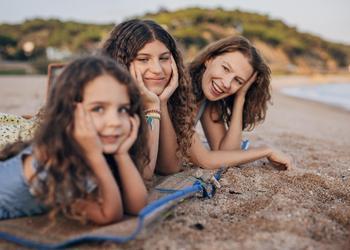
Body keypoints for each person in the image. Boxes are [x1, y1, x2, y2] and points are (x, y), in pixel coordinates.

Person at [0, 55, 148, 225]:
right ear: (69, 112)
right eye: (98, 108)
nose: (115, 121)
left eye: (122, 109)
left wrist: (122, 155)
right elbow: (109, 214)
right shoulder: (50, 161)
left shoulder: (84, 153)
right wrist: (95, 156)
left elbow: (138, 206)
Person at [184, 35, 294, 171]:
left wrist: (240, 97)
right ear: (209, 59)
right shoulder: (180, 90)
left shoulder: (207, 97)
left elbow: (225, 152)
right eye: (225, 68)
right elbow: (206, 161)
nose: (226, 83)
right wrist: (266, 151)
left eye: (238, 81)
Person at [102, 19, 196, 178]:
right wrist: (152, 106)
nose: (157, 70)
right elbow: (143, 174)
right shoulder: (105, 100)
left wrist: (162, 104)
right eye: (143, 59)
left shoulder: (168, 98)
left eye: (164, 58)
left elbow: (170, 166)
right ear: (121, 62)